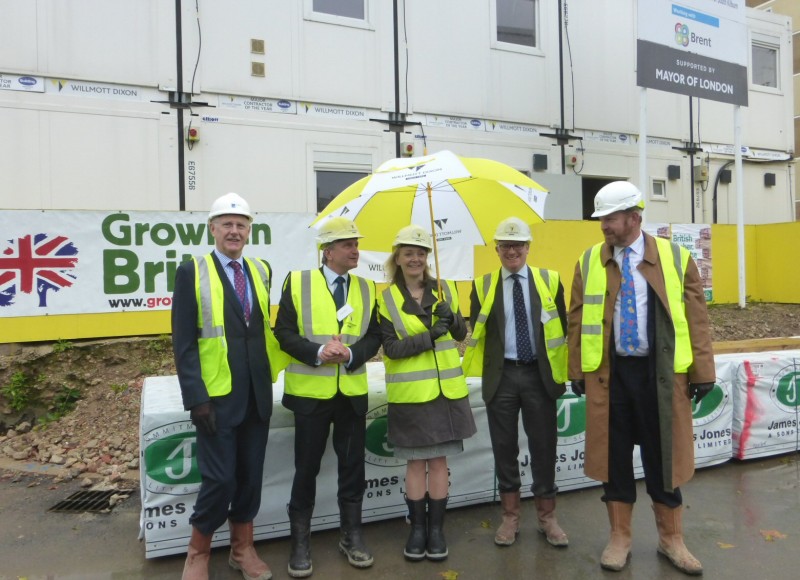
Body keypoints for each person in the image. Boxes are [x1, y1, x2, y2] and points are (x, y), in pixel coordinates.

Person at [567, 181, 715, 575]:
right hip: (610, 376)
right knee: (614, 458)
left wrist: (703, 371)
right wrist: (576, 369)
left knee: (662, 457)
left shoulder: (675, 257)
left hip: (661, 376)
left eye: (610, 219)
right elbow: (577, 320)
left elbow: (697, 320)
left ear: (634, 218)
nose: (603, 227)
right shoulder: (588, 262)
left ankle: (672, 540)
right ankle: (620, 539)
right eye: (600, 220)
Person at [171, 192, 286, 580]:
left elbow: (262, 332)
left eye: (241, 225)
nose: (234, 231)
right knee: (220, 479)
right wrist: (196, 397)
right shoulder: (193, 271)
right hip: (216, 398)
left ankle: (242, 549)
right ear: (213, 229)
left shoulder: (261, 269)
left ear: (250, 230)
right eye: (227, 224)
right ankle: (197, 553)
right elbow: (184, 342)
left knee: (250, 476)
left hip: (257, 394)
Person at [274, 216, 381, 578]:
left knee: (353, 468)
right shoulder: (299, 282)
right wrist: (317, 353)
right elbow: (283, 333)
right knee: (307, 469)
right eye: (348, 244)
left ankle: (351, 536)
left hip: (350, 394)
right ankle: (300, 542)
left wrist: (351, 355)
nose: (356, 250)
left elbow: (374, 335)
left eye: (356, 243)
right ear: (327, 251)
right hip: (311, 396)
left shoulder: (367, 288)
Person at [463, 217, 569, 549]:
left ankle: (547, 518)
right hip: (503, 376)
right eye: (506, 245)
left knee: (543, 446)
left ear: (527, 248)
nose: (512, 251)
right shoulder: (482, 286)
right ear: (496, 250)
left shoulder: (550, 281)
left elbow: (563, 329)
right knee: (504, 448)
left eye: (518, 245)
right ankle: (510, 518)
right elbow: (477, 333)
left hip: (539, 375)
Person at [377, 224, 477, 562]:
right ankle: (417, 529)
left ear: (427, 258)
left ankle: (436, 531)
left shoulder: (445, 289)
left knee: (438, 462)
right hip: (410, 396)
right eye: (409, 252)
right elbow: (391, 348)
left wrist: (452, 319)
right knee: (415, 464)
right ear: (398, 258)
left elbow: (461, 332)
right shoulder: (387, 298)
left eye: (420, 252)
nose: (415, 258)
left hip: (445, 394)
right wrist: (431, 335)